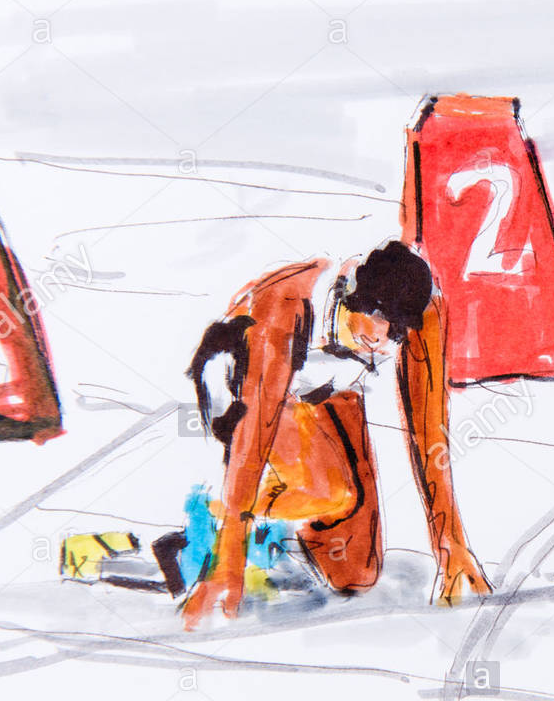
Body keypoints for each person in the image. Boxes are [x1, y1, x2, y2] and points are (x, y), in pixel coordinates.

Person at [180, 240, 492, 626]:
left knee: (357, 571)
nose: (382, 338)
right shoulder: (287, 305)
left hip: (325, 388)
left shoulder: (423, 309)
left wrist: (451, 546)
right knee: (328, 489)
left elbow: (429, 432)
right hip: (241, 388)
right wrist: (228, 561)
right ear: (349, 295)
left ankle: (263, 520)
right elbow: (253, 434)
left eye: (395, 329)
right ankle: (211, 521)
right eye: (377, 318)